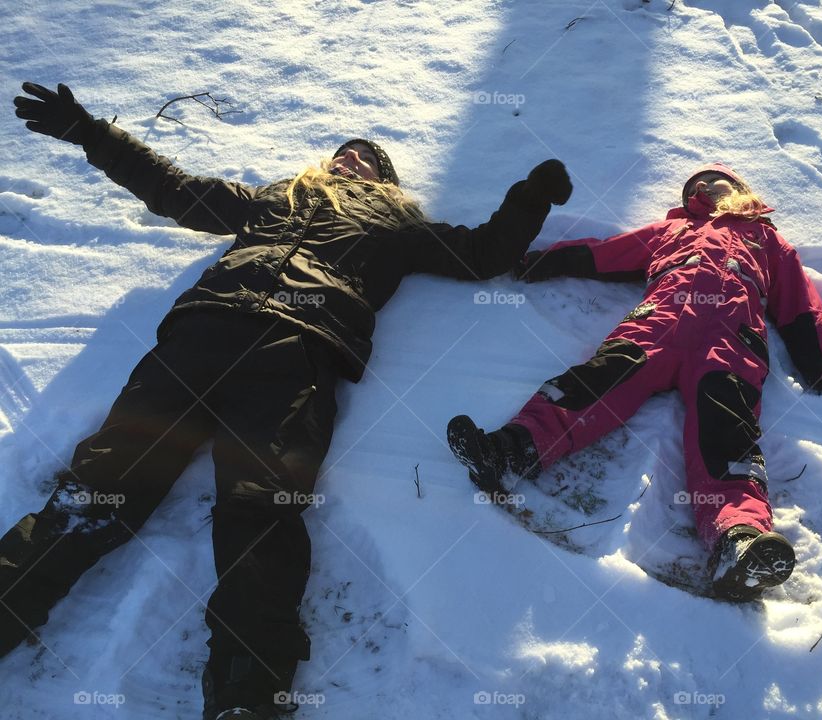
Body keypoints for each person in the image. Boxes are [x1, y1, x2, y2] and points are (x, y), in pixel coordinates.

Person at [2, 82, 572, 719]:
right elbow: (173, 189)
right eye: (343, 153)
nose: (349, 159)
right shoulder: (270, 200)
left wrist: (531, 197)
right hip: (202, 333)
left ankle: (247, 696)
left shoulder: (395, 227)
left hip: (296, 353)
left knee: (262, 507)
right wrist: (91, 132)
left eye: (366, 158)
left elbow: (480, 253)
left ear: (385, 181)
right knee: (104, 483)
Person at [447, 162, 822, 601]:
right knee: (597, 380)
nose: (709, 186)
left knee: (727, 428)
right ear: (690, 198)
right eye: (699, 185)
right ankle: (510, 451)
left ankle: (740, 537)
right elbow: (609, 252)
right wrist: (548, 259)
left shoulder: (764, 237)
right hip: (658, 324)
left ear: (739, 190)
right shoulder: (671, 230)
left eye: (718, 182)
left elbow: (799, 304)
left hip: (730, 337)